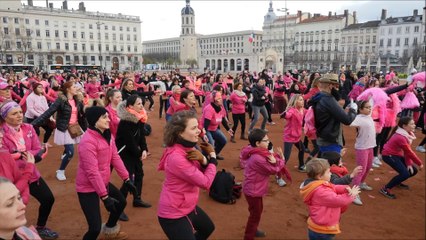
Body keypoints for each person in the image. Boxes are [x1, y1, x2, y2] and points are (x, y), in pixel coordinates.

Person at [76, 106, 137, 240]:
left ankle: (110, 229)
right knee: (94, 228)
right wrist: (104, 197)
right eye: (104, 117)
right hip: (87, 187)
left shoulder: (107, 135)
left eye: (108, 116)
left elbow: (115, 157)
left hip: (103, 181)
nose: (109, 120)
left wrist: (127, 179)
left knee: (121, 202)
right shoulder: (87, 142)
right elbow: (92, 172)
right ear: (94, 120)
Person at [0, 101, 58, 239]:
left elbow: (37, 148)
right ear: (4, 117)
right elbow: (5, 156)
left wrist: (22, 154)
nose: (20, 115)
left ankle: (41, 227)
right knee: (16, 207)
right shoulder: (1, 134)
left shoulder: (29, 128)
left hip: (31, 173)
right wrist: (24, 155)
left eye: (20, 112)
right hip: (11, 178)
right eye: (14, 113)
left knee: (48, 199)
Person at [157, 110, 217, 240]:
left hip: (187, 204)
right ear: (180, 132)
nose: (199, 131)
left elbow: (200, 171)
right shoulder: (176, 157)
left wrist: (204, 160)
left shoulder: (189, 148)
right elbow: (205, 182)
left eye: (198, 127)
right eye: (194, 128)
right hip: (173, 213)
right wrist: (212, 158)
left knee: (208, 228)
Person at [31, 81, 87, 181]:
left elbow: (82, 117)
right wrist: (32, 125)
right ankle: (60, 171)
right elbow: (48, 113)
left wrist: (87, 129)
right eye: (74, 86)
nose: (76, 88)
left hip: (75, 128)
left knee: (85, 149)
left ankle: (85, 168)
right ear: (68, 89)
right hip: (64, 128)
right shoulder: (60, 100)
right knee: (70, 152)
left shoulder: (78, 101)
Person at [240, 129, 287, 240]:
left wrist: (276, 159)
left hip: (254, 188)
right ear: (257, 143)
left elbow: (271, 160)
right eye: (265, 141)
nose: (268, 143)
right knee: (255, 214)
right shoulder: (258, 158)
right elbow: (273, 170)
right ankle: (248, 236)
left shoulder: (255, 151)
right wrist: (282, 159)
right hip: (253, 190)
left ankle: (253, 230)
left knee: (257, 211)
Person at [300, 159, 360, 240]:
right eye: (328, 172)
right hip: (323, 230)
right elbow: (339, 201)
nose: (331, 174)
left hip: (319, 228)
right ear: (319, 176)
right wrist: (352, 195)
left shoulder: (318, 184)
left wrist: (345, 189)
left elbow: (333, 187)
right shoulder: (320, 191)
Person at [116, 95, 151, 213]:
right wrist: (139, 153)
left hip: (135, 151)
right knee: (129, 177)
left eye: (142, 103)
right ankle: (118, 206)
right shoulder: (126, 121)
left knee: (139, 174)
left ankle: (137, 199)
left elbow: (141, 136)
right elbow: (129, 141)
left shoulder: (139, 117)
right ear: (130, 106)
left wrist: (144, 149)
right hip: (125, 152)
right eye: (139, 104)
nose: (142, 106)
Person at [309, 74, 357, 154]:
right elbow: (347, 120)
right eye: (336, 86)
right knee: (331, 164)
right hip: (330, 140)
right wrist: (353, 110)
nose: (338, 89)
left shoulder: (319, 97)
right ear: (330, 86)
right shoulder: (328, 100)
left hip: (323, 137)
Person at [380, 116, 424, 199]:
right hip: (388, 155)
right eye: (412, 124)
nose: (414, 125)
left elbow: (407, 152)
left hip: (396, 154)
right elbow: (409, 152)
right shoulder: (401, 137)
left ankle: (398, 181)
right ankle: (385, 189)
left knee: (413, 170)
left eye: (414, 123)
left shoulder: (407, 134)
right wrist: (419, 163)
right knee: (405, 173)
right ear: (404, 126)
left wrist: (409, 163)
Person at [348, 100, 376, 205]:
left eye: (370, 107)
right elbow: (349, 122)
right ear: (360, 109)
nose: (370, 109)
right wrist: (352, 110)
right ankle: (354, 193)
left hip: (370, 146)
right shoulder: (358, 118)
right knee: (360, 170)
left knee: (368, 167)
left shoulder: (369, 116)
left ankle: (361, 183)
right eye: (367, 107)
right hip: (362, 148)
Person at [202, 91, 233, 160]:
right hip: (206, 129)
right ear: (214, 100)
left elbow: (222, 119)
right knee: (210, 144)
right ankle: (203, 157)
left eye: (220, 98)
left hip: (214, 129)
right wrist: (204, 134)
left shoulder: (220, 107)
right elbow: (206, 124)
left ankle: (214, 154)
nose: (221, 100)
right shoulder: (209, 109)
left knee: (223, 141)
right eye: (218, 99)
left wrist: (228, 129)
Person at [280, 94, 306, 172]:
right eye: (300, 100)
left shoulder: (302, 109)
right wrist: (284, 114)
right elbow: (288, 115)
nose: (302, 101)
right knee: (286, 157)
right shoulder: (292, 110)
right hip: (289, 136)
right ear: (295, 101)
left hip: (297, 136)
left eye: (302, 100)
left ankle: (301, 166)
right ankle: (278, 172)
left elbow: (309, 112)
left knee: (302, 149)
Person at [25, 82, 54, 146]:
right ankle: (35, 145)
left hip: (42, 117)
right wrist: (40, 115)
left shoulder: (42, 97)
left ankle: (44, 142)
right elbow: (30, 109)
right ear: (35, 89)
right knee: (36, 132)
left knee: (50, 128)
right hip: (32, 118)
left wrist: (50, 116)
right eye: (39, 87)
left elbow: (46, 107)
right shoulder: (30, 97)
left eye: (42, 87)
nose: (41, 89)